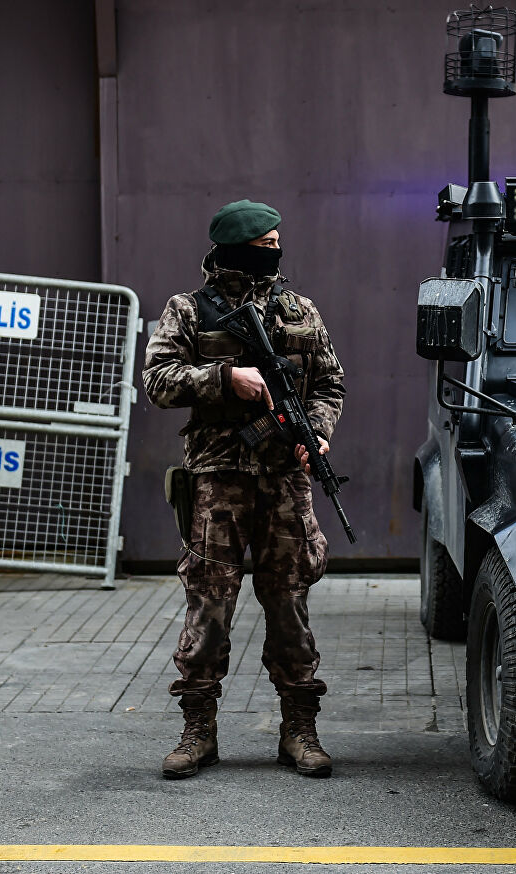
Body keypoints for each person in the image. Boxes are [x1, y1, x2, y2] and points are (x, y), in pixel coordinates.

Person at [143, 199, 345, 780]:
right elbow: (156, 381)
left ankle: (299, 728)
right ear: (233, 247)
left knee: (289, 603)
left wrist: (318, 434)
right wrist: (224, 378)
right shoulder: (187, 311)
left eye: (278, 242)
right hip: (217, 482)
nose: (274, 252)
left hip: (286, 482)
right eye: (264, 244)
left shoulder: (298, 310)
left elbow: (330, 383)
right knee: (210, 604)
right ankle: (197, 729)